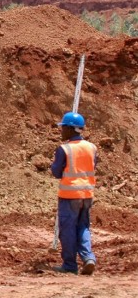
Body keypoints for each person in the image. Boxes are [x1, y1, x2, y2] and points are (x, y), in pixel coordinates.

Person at [50, 111, 98, 275]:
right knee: (83, 227)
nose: (61, 131)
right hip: (87, 195)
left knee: (68, 229)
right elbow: (92, 166)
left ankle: (70, 265)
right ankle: (88, 257)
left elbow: (56, 172)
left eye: (63, 128)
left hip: (69, 196)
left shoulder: (65, 149)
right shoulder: (92, 147)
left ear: (71, 129)